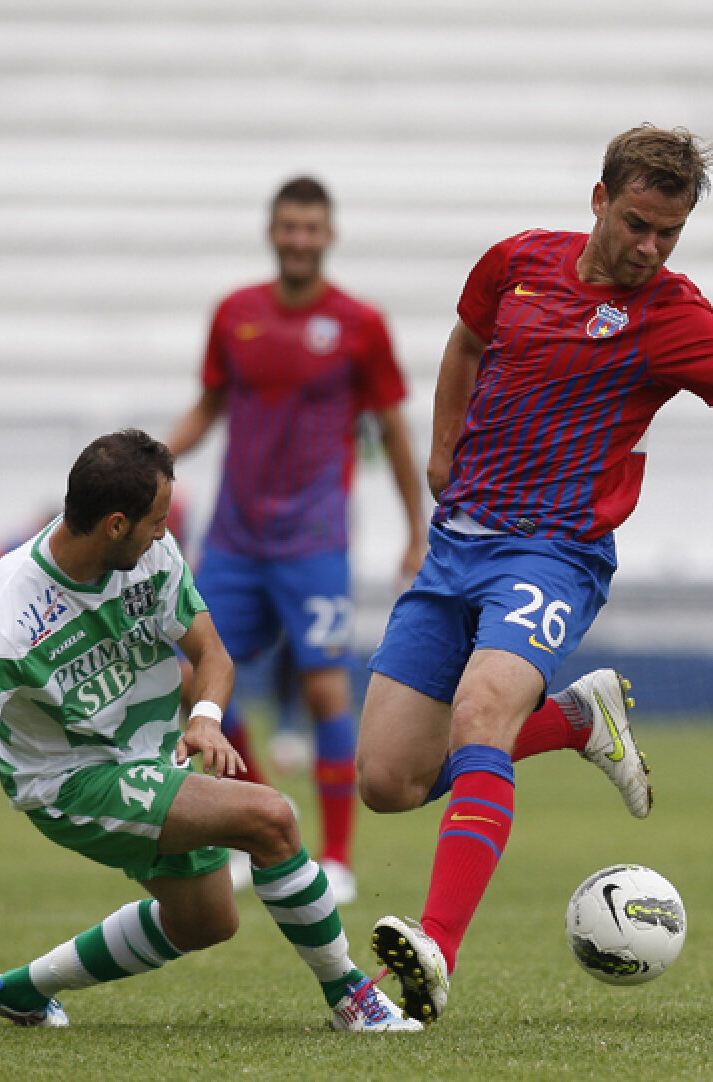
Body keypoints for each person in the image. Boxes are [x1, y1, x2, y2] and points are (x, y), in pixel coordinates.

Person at [356, 125, 713, 1024]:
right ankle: (574, 721)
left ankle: (438, 950)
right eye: (638, 224)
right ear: (598, 200)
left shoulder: (670, 314)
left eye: (669, 233)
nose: (650, 248)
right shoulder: (516, 263)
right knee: (388, 781)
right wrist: (441, 457)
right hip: (458, 544)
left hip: (554, 552)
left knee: (483, 708)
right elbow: (464, 346)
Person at [0, 429, 421, 1034]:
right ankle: (351, 997)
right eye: (156, 519)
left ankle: (17, 992)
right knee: (272, 818)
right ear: (114, 524)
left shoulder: (150, 555)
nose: (165, 530)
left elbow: (214, 656)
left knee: (208, 921)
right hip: (68, 783)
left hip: (148, 758)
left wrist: (204, 720)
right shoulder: (3, 618)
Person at [166, 176, 427, 905]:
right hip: (235, 539)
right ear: (273, 231)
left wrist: (416, 527)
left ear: (328, 234)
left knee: (322, 689)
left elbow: (393, 432)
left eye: (312, 227)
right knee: (197, 676)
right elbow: (210, 406)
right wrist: (152, 455)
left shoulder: (359, 325)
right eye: (289, 227)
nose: (300, 239)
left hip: (314, 540)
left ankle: (336, 856)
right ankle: (257, 822)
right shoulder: (235, 314)